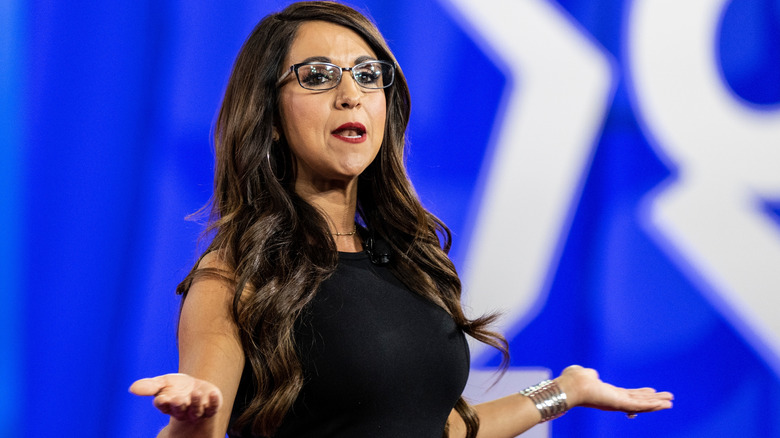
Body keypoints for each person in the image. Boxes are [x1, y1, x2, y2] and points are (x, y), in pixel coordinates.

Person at [130, 2, 674, 437]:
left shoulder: (405, 260)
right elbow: (205, 418)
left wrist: (565, 392)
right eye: (318, 76)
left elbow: (434, 427)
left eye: (369, 76)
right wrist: (192, 420)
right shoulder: (236, 277)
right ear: (269, 116)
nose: (351, 95)